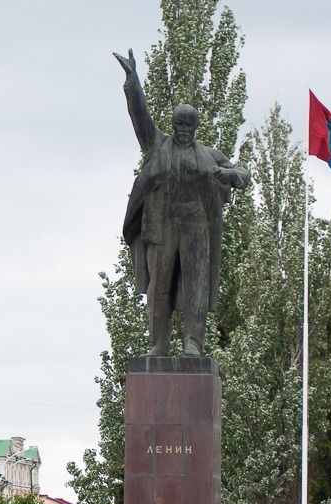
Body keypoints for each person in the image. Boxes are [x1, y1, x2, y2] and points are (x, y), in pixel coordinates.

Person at [112, 47, 251, 356]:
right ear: (173, 126)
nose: (184, 131)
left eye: (189, 126)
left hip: (197, 229)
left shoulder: (208, 155)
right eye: (179, 126)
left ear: (196, 127)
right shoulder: (158, 146)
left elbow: (242, 172)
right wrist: (133, 81)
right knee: (158, 288)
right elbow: (140, 116)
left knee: (195, 287)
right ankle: (159, 344)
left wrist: (230, 176)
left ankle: (193, 343)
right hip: (161, 228)